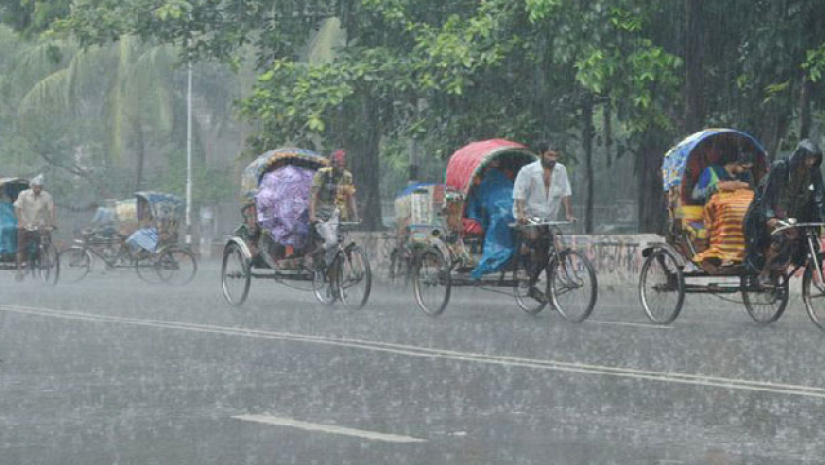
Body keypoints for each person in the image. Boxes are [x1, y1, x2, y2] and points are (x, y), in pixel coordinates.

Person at [744, 139, 825, 285]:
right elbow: (767, 196)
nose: (810, 162)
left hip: (795, 215)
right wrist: (769, 217)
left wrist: (821, 217)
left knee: (809, 240)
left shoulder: (814, 172)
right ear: (800, 156)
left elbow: (819, 198)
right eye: (808, 158)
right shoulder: (780, 167)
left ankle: (785, 267)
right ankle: (765, 271)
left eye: (813, 159)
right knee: (780, 237)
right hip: (768, 212)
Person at [512, 141, 576, 300]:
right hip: (528, 214)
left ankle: (533, 284)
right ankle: (521, 266)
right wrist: (521, 213)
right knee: (533, 236)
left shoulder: (561, 170)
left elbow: (565, 192)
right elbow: (519, 193)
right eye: (550, 155)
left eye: (556, 155)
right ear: (541, 154)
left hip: (547, 217)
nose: (553, 159)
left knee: (544, 256)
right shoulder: (528, 171)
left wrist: (568, 213)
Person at [691, 152, 755, 271]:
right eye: (744, 168)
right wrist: (718, 187)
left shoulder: (744, 176)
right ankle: (723, 255)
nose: (745, 171)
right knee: (728, 222)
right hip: (717, 211)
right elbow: (696, 195)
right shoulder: (711, 172)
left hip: (739, 210)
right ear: (735, 163)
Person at [309, 149, 359, 269]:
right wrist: (312, 215)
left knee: (340, 242)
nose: (340, 167)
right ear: (332, 163)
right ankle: (315, 257)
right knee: (332, 242)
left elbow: (351, 196)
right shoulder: (323, 174)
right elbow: (313, 195)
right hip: (321, 212)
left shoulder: (347, 176)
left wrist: (355, 216)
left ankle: (336, 268)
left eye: (343, 164)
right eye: (338, 164)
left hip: (336, 212)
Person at [14, 174, 55, 281]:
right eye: (36, 187)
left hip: (38, 223)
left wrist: (52, 223)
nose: (38, 189)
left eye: (40, 187)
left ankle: (44, 257)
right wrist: (21, 222)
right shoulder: (23, 194)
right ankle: (19, 270)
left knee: (46, 238)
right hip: (25, 223)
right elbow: (18, 209)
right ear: (31, 186)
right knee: (21, 247)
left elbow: (51, 210)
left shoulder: (47, 196)